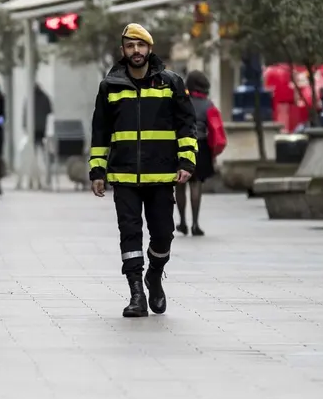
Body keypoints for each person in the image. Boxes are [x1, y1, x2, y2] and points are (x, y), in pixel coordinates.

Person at [89, 23, 198, 318]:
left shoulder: (171, 83)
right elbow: (100, 132)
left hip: (161, 175)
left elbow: (186, 125)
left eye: (140, 45)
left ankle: (155, 275)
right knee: (130, 234)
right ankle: (136, 293)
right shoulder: (110, 86)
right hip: (124, 177)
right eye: (130, 46)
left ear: (149, 48)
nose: (135, 51)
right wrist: (97, 170)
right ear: (123, 50)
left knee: (163, 234)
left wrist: (187, 161)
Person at [176, 70, 227, 237]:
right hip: (201, 145)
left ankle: (182, 222)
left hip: (180, 144)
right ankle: (195, 224)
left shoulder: (179, 101)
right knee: (196, 184)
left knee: (180, 185)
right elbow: (216, 131)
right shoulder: (208, 105)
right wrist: (213, 152)